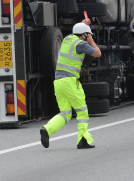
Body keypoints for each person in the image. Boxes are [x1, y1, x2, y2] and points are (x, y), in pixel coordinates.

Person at [40, 20, 101, 149]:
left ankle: (47, 130)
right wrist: (91, 41)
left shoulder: (68, 39)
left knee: (65, 112)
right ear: (84, 35)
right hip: (70, 82)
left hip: (58, 82)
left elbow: (77, 28)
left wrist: (84, 23)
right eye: (88, 34)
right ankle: (83, 140)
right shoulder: (80, 44)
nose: (89, 36)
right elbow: (98, 53)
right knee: (82, 111)